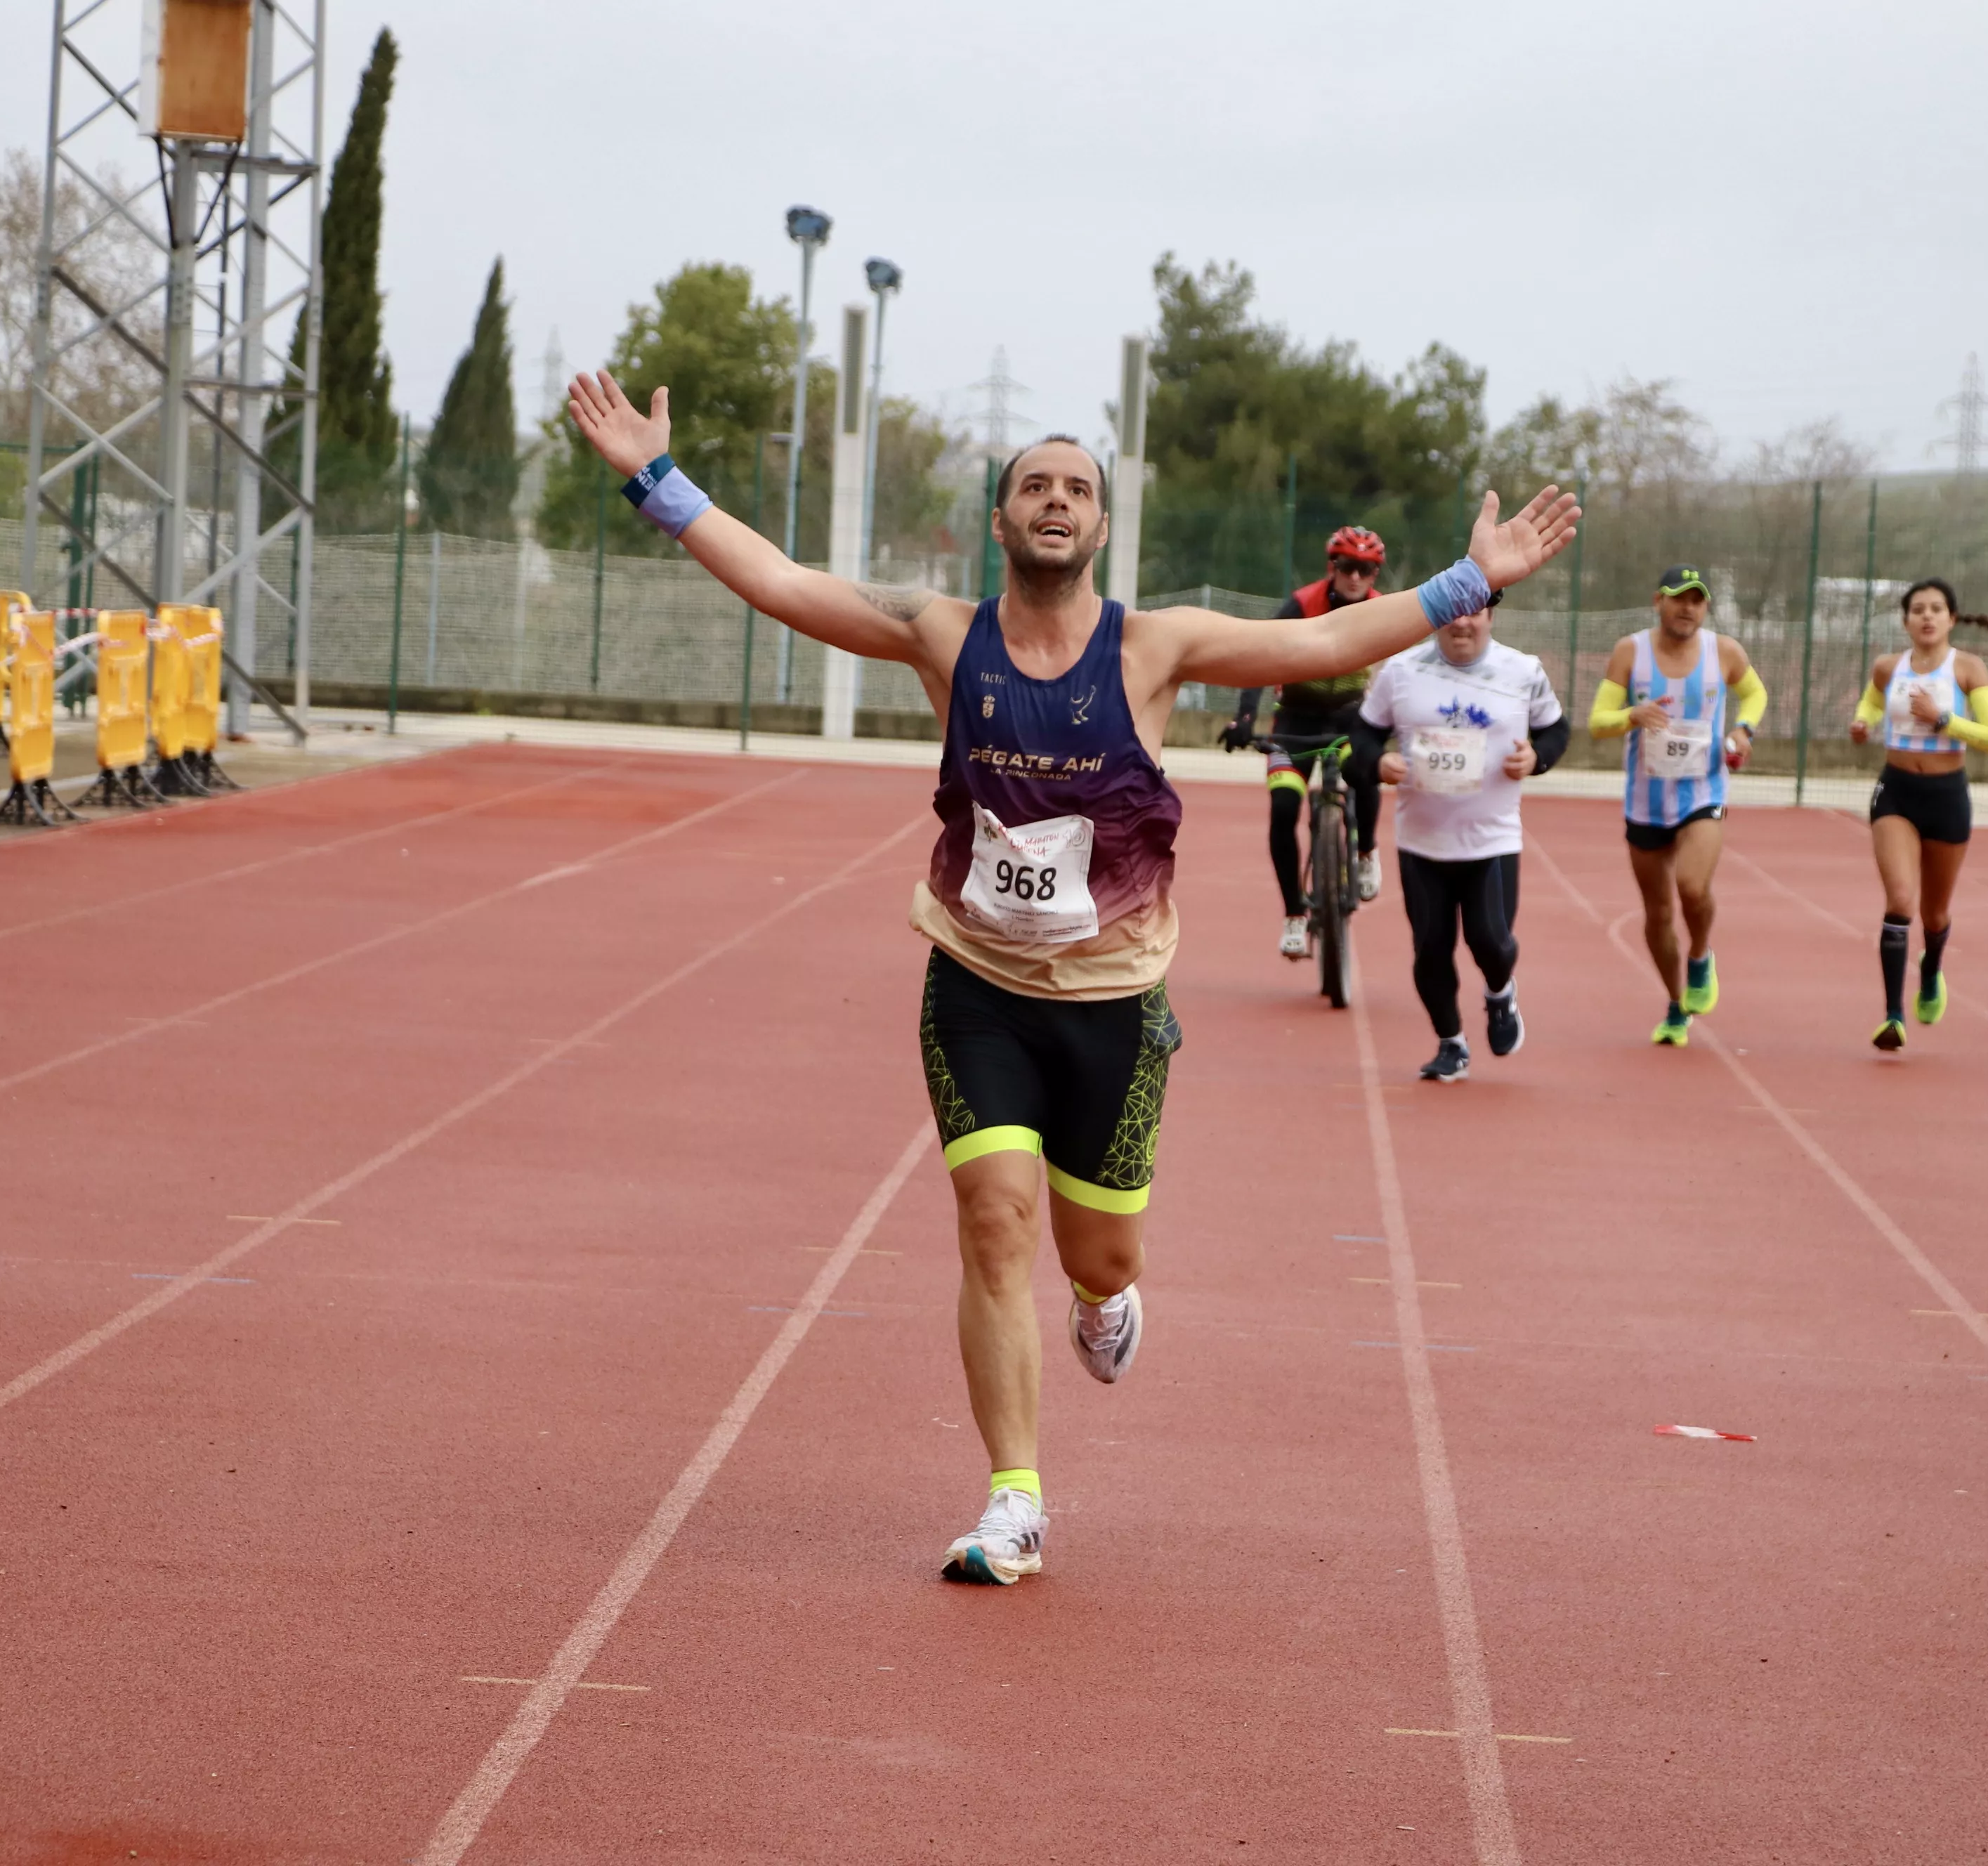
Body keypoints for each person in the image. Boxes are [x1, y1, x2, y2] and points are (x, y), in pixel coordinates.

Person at [564, 371, 1576, 1584]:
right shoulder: (942, 634)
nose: (1055, 500)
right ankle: (1014, 1498)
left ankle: (1107, 1303)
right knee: (993, 1220)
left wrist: (1474, 580)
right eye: (1032, 486)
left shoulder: (1154, 648)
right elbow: (785, 584)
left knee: (1096, 1258)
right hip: (976, 983)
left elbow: (1321, 639)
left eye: (1076, 490)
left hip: (1111, 1004)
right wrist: (651, 478)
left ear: (1099, 528)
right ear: (1000, 523)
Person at [1351, 589, 1569, 1081]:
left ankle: (1499, 992)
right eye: (1453, 613)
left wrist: (1537, 759)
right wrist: (1377, 762)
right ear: (1437, 618)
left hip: (1491, 839)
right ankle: (1451, 1041)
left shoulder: (1523, 671)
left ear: (1491, 616)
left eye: (1474, 612)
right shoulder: (1401, 673)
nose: (1463, 623)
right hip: (1421, 841)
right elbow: (1362, 737)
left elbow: (1556, 732)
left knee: (1490, 940)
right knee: (1430, 950)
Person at [1588, 566, 1768, 1046]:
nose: (1687, 608)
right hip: (1645, 800)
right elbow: (1598, 722)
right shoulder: (1632, 652)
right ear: (1658, 602)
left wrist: (1742, 731)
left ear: (1705, 608)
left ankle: (1701, 955)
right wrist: (1631, 714)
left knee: (1692, 885)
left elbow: (1755, 693)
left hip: (1704, 790)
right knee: (1658, 913)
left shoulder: (1723, 652)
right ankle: (1675, 1004)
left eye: (1697, 600)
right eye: (1678, 598)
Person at [1849, 579, 1988, 1050]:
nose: (1927, 617)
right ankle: (1893, 1016)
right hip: (1896, 791)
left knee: (1934, 913)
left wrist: (1943, 719)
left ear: (1951, 619)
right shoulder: (1886, 667)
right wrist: (1864, 723)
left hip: (1946, 796)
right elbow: (1872, 702)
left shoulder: (1968, 669)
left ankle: (1932, 968)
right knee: (1900, 900)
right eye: (1918, 609)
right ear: (1905, 621)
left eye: (1936, 609)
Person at [1220, 527, 1389, 958]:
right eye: (1348, 568)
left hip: (1349, 718)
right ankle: (1295, 913)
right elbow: (1257, 656)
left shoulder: (1382, 610)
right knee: (1282, 809)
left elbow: (1403, 669)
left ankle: (1366, 850)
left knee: (1366, 771)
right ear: (1332, 568)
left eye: (1366, 571)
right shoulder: (1300, 605)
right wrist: (1244, 717)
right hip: (1294, 719)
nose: (1356, 578)